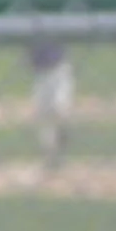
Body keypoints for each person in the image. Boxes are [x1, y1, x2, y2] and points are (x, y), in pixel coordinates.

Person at [27, 41, 76, 169]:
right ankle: (49, 158)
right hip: (41, 76)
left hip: (58, 72)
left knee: (60, 111)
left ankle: (61, 152)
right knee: (44, 118)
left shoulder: (53, 29)